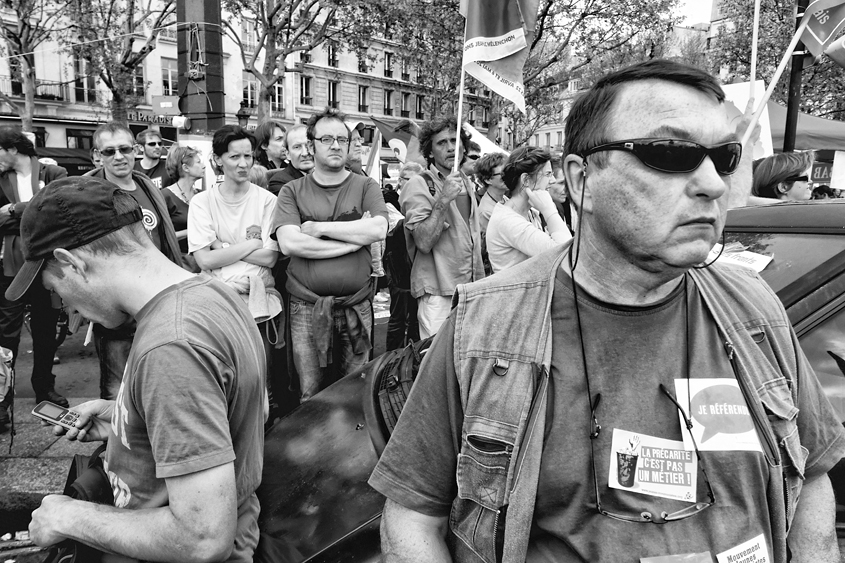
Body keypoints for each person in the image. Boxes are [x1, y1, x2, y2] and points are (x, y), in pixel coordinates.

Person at [370, 59, 845, 563]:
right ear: (582, 180)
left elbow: (812, 478)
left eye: (724, 157)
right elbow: (413, 519)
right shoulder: (485, 326)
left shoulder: (755, 309)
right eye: (670, 152)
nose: (713, 184)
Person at [10, 176, 265, 562]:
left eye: (54, 289)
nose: (66, 305)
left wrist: (70, 516)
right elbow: (244, 412)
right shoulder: (212, 293)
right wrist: (129, 418)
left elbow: (201, 538)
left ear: (70, 262)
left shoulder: (171, 345)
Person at [272, 107, 388, 401]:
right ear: (311, 145)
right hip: (306, 309)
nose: (336, 145)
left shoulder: (366, 186)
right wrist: (351, 242)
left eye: (342, 139)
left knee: (356, 392)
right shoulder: (292, 191)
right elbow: (290, 244)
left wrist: (317, 228)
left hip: (356, 306)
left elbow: (377, 229)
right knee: (310, 394)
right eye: (327, 139)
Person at [87, 122, 183, 400]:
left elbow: (164, 242)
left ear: (135, 150)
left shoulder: (148, 188)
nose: (118, 156)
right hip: (116, 311)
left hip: (157, 303)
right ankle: (116, 444)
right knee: (117, 391)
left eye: (124, 149)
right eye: (109, 151)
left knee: (159, 386)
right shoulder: (87, 195)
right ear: (97, 155)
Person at [188, 125, 282, 378]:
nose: (243, 164)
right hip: (216, 302)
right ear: (218, 160)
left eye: (248, 156)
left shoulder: (267, 201)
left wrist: (223, 246)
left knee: (259, 377)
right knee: (220, 375)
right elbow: (204, 259)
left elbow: (271, 258)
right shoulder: (202, 202)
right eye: (234, 157)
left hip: (259, 301)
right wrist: (252, 244)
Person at [0, 128, 68, 425]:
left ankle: (45, 389)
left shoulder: (54, 173)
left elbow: (57, 208)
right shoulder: (0, 179)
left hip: (47, 266)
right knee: (5, 335)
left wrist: (15, 209)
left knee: (45, 331)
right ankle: (2, 399)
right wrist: (32, 216)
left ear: (12, 149)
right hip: (10, 267)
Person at [399, 116, 484, 339]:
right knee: (436, 365)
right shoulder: (418, 184)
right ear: (429, 151)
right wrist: (444, 200)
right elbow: (423, 242)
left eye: (455, 141)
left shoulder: (466, 182)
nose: (450, 148)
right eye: (441, 143)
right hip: (438, 293)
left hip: (471, 288)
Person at [485, 146, 572, 272]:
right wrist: (549, 211)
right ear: (526, 180)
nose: (552, 180)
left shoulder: (528, 212)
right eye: (548, 174)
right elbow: (565, 254)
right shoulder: (508, 221)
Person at [384, 162, 422, 351]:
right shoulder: (389, 200)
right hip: (398, 266)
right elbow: (400, 225)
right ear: (400, 181)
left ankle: (413, 358)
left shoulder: (419, 201)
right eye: (412, 181)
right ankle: (392, 359)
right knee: (398, 316)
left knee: (416, 317)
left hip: (417, 266)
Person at [266, 125, 314, 195]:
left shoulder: (328, 175)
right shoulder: (280, 182)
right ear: (287, 153)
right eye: (297, 147)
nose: (305, 153)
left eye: (308, 146)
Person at [474, 151, 507, 233]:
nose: (508, 176)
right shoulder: (486, 212)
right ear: (488, 180)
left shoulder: (503, 198)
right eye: (503, 174)